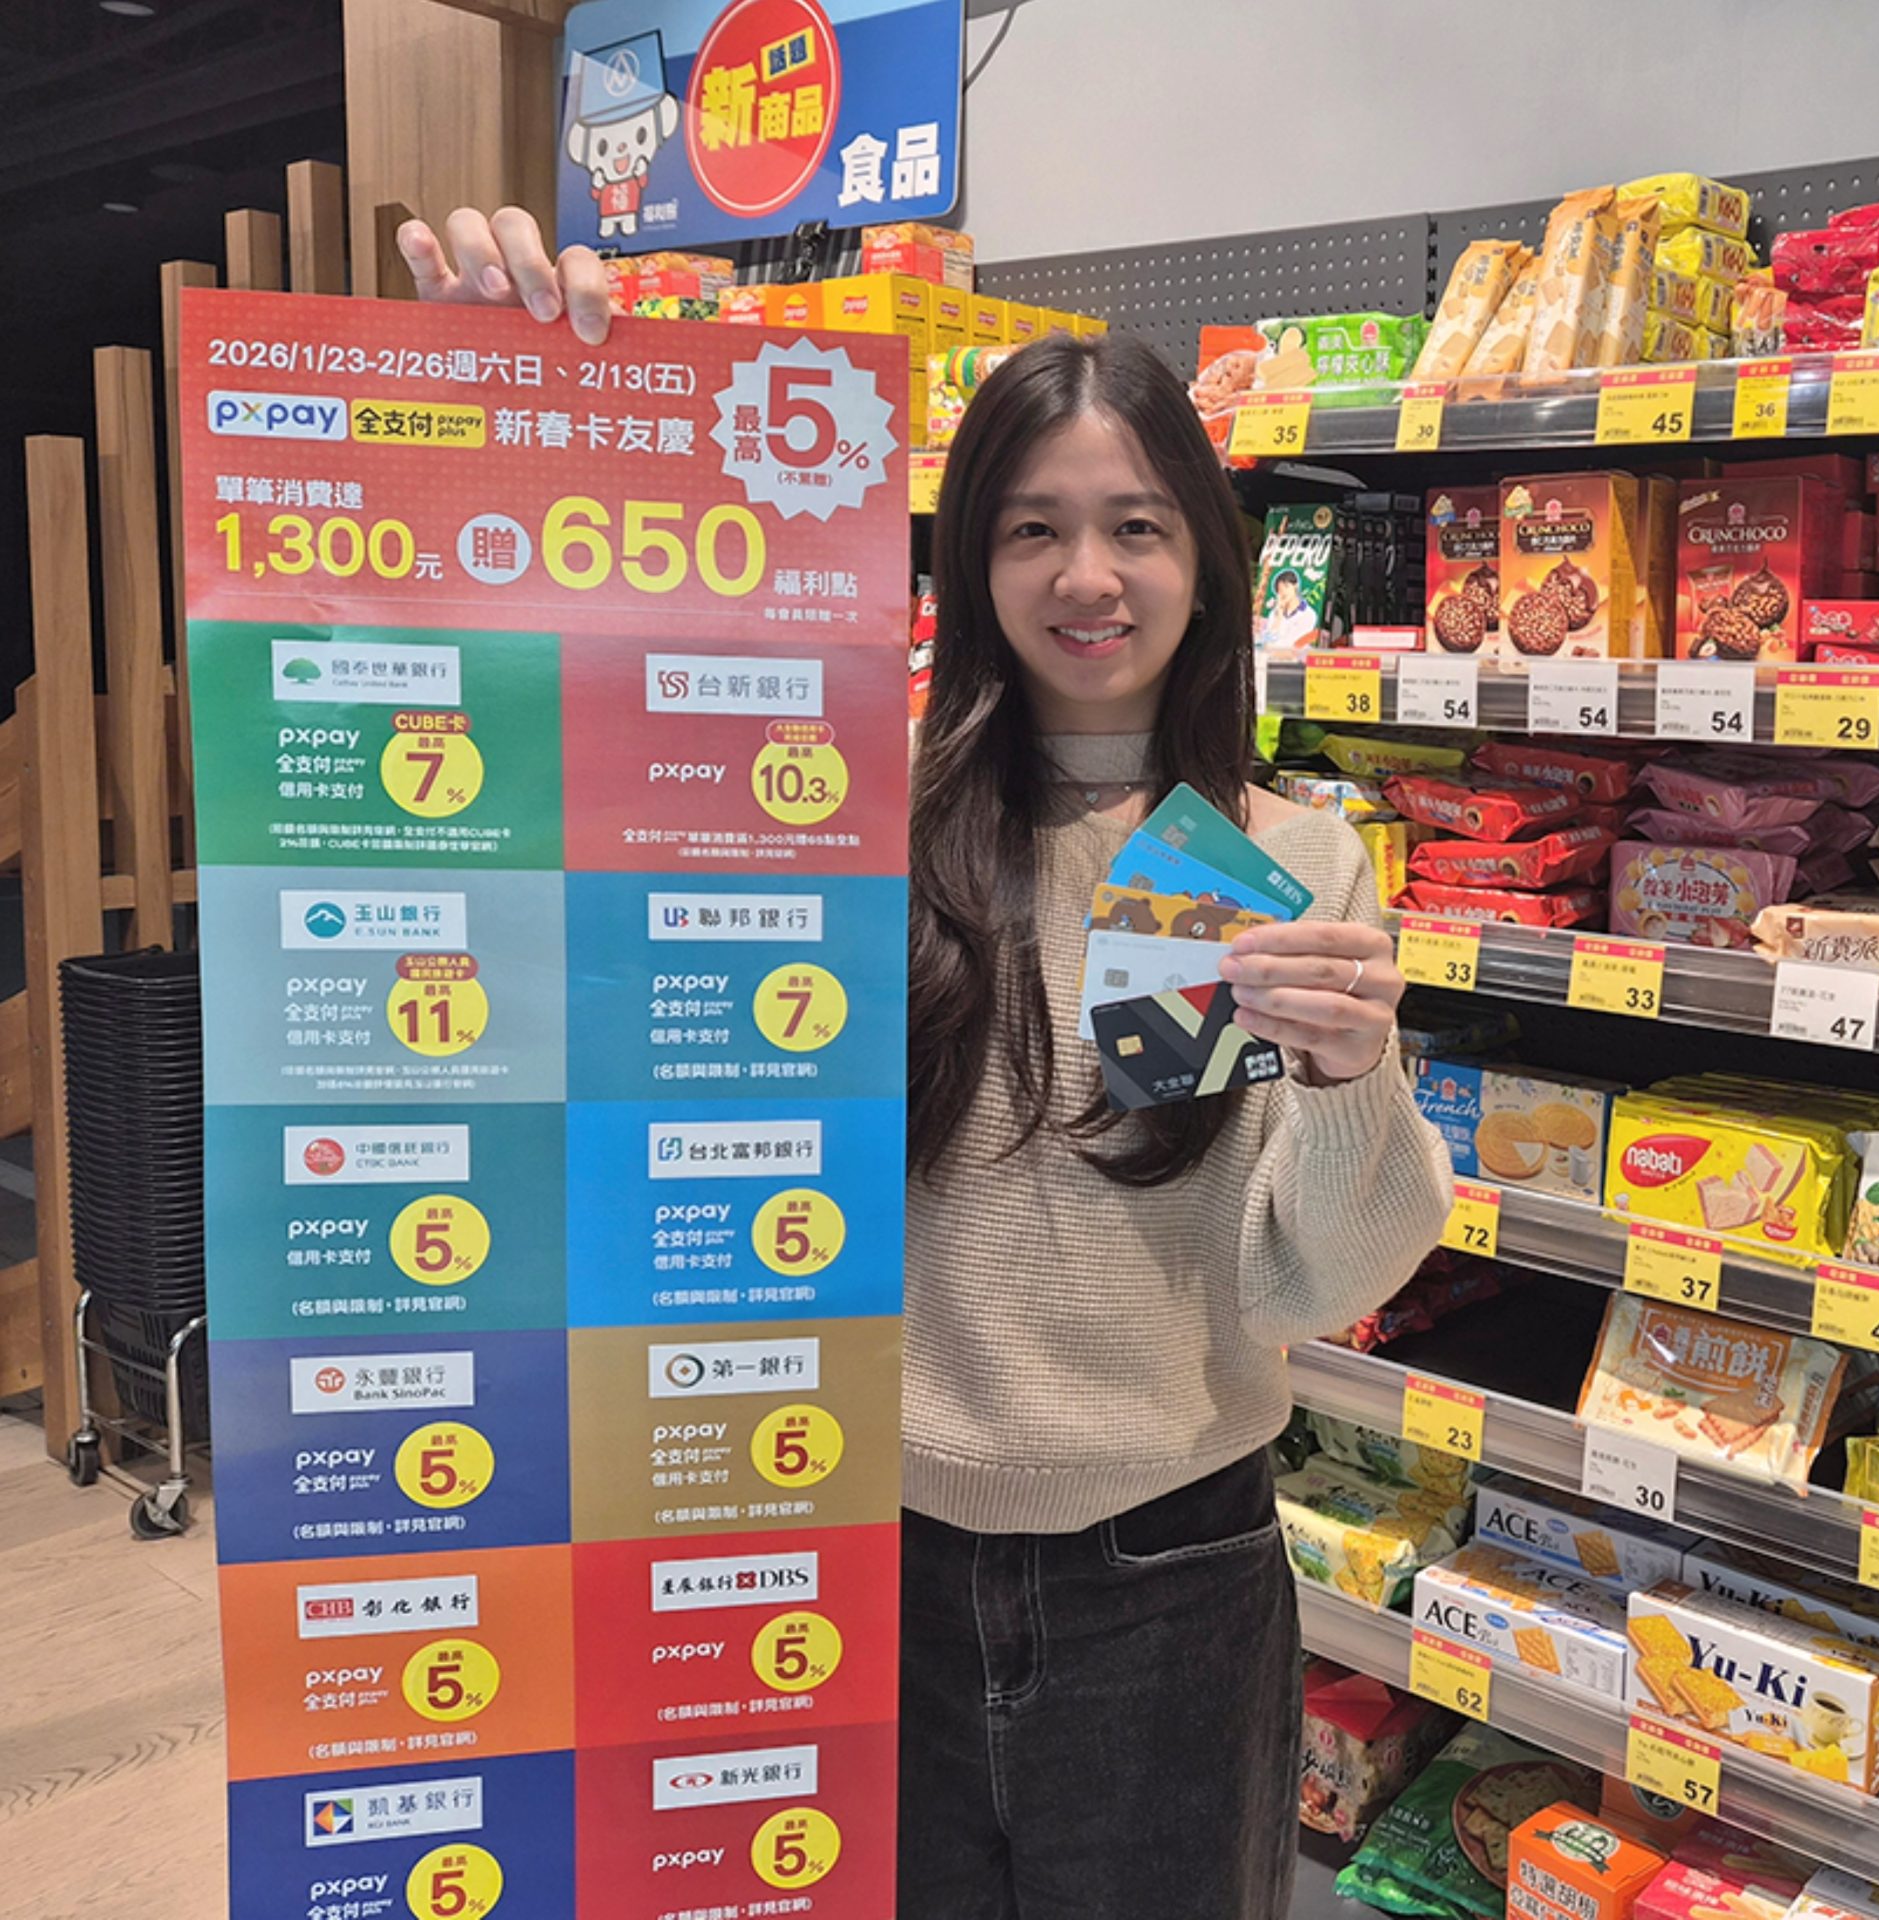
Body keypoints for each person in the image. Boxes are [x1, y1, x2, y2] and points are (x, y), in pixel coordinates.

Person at [398, 210, 1454, 1919]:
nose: (1087, 577)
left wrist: (1350, 1082)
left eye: (1136, 526)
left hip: (1173, 1570)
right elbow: (547, 788)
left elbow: (1317, 1282)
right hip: (845, 1542)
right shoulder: (835, 819)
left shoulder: (1282, 860)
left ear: (1209, 559)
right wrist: (499, 410)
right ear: (965, 563)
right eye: (1033, 528)